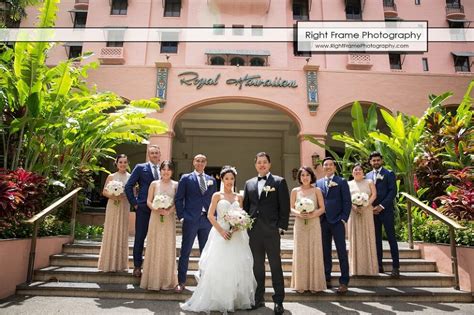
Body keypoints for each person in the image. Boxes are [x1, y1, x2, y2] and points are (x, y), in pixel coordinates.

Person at [181, 166, 257, 313]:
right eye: (226, 178)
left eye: (232, 178)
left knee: (236, 266)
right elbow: (210, 215)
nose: (229, 181)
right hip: (220, 234)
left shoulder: (238, 197)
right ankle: (218, 299)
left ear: (235, 180)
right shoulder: (217, 195)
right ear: (222, 179)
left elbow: (242, 215)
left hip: (236, 235)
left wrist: (237, 227)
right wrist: (221, 230)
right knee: (219, 266)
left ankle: (234, 299)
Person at [243, 152, 290, 315]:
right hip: (254, 231)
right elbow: (246, 208)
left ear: (269, 164)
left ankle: (278, 301)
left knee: (275, 266)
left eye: (265, 162)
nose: (262, 165)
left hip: (271, 231)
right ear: (255, 165)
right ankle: (258, 298)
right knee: (257, 266)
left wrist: (281, 227)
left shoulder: (279, 182)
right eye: (259, 162)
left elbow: (284, 206)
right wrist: (244, 225)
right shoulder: (248, 183)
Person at [175, 154, 217, 292]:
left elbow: (214, 200)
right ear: (193, 162)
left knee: (206, 252)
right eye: (197, 161)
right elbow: (179, 199)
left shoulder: (211, 180)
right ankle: (181, 281)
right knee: (185, 251)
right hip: (190, 219)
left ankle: (205, 282)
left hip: (206, 221)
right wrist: (182, 216)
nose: (200, 163)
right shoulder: (186, 178)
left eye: (202, 161)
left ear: (206, 163)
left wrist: (214, 216)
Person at [140, 160, 178, 291]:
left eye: (168, 169)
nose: (166, 172)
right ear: (160, 171)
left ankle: (167, 280)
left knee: (167, 246)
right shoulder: (154, 184)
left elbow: (177, 203)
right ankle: (152, 280)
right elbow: (148, 201)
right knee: (155, 245)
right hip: (155, 218)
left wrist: (169, 211)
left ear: (172, 171)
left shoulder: (176, 185)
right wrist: (156, 208)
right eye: (163, 169)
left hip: (169, 219)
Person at [316, 157, 351, 294]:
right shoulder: (318, 183)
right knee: (325, 252)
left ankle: (344, 281)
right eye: (326, 165)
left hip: (337, 221)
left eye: (331, 165)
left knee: (341, 251)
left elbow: (347, 201)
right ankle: (326, 277)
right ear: (323, 167)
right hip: (323, 221)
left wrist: (343, 219)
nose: (328, 167)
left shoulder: (341, 182)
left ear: (334, 167)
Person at [124, 145, 161, 277]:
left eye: (157, 153)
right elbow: (128, 186)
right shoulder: (140, 168)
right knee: (140, 237)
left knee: (157, 238)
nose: (155, 155)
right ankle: (137, 266)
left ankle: (154, 265)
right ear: (148, 155)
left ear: (160, 155)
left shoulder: (164, 169)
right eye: (152, 153)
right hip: (143, 208)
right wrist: (135, 203)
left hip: (159, 210)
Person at [290, 166, 326, 293]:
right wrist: (299, 214)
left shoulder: (317, 190)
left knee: (314, 251)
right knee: (301, 252)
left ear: (311, 176)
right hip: (300, 224)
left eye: (307, 175)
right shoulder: (295, 191)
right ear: (299, 177)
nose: (305, 178)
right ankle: (301, 284)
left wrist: (313, 214)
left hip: (314, 223)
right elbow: (291, 207)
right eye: (302, 175)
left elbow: (322, 208)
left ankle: (315, 285)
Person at [367, 151, 400, 278]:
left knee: (391, 239)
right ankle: (379, 265)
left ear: (381, 161)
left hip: (386, 211)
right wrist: (370, 207)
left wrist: (381, 206)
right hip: (372, 212)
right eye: (373, 160)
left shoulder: (389, 174)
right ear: (370, 162)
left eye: (377, 160)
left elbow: (392, 192)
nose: (376, 162)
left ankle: (395, 267)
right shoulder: (368, 175)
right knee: (376, 239)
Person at [98, 154, 130, 272]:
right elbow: (104, 191)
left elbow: (133, 192)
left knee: (122, 231)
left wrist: (123, 196)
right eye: (120, 162)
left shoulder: (130, 177)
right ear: (116, 163)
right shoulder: (111, 176)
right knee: (111, 231)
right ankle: (107, 263)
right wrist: (113, 196)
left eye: (125, 162)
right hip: (112, 205)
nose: (122, 164)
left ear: (127, 163)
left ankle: (121, 264)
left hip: (124, 205)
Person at [348, 163, 378, 276]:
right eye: (355, 170)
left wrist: (365, 204)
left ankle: (370, 268)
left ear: (363, 172)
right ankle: (355, 269)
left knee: (367, 236)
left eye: (359, 170)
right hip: (354, 212)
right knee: (354, 238)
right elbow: (347, 198)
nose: (357, 171)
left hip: (367, 211)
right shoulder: (348, 184)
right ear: (352, 173)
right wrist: (354, 206)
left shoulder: (369, 182)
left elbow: (374, 195)